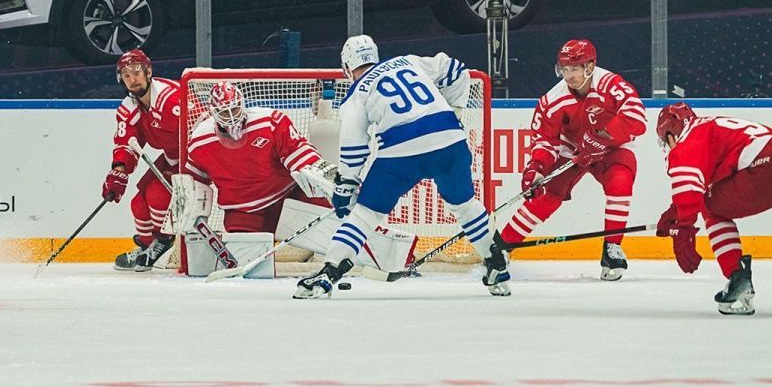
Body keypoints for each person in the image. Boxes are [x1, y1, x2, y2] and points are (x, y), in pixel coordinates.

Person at [294, 35, 510, 299]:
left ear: (347, 68)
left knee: (365, 214)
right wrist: (454, 111)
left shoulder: (356, 95)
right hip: (450, 141)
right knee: (465, 205)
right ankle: (496, 262)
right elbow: (456, 70)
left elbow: (354, 146)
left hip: (402, 153)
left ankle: (329, 272)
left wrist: (347, 185)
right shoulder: (407, 62)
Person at [497, 39, 646, 280]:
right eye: (564, 69)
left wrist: (601, 137)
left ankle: (612, 248)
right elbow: (545, 140)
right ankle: (503, 246)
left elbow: (637, 119)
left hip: (612, 147)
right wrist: (537, 167)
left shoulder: (611, 84)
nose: (569, 75)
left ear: (590, 66)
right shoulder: (552, 100)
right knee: (546, 196)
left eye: (574, 68)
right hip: (572, 149)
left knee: (621, 181)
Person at [654, 102, 772, 315]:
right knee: (711, 199)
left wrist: (684, 227)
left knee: (712, 207)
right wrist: (675, 212)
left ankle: (737, 275)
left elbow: (689, 186)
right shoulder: (710, 128)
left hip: (766, 164)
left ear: (670, 132)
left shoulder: (686, 140)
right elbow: (706, 184)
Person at [174, 81, 337, 235]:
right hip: (243, 211)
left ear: (242, 104)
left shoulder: (269, 121)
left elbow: (297, 151)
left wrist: (317, 171)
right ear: (213, 112)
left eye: (235, 109)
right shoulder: (200, 140)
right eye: (224, 111)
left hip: (286, 197)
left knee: (322, 205)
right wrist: (189, 216)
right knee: (245, 253)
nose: (231, 116)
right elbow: (193, 183)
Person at [103, 49, 181, 272]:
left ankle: (164, 241)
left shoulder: (171, 98)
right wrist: (118, 172)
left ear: (148, 72)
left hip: (195, 158)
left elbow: (200, 131)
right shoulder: (130, 107)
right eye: (126, 76)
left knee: (157, 194)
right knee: (137, 203)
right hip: (171, 157)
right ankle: (148, 246)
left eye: (136, 72)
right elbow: (126, 142)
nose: (132, 79)